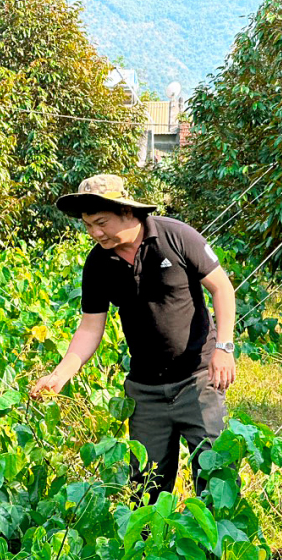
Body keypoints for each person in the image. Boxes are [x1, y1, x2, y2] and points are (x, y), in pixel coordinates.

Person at [29, 174, 237, 502]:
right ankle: (149, 551)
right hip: (145, 391)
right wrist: (60, 374)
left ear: (127, 212)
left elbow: (221, 288)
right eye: (87, 225)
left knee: (215, 475)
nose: (95, 233)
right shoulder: (99, 262)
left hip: (197, 380)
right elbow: (89, 327)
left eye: (101, 222)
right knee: (145, 491)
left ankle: (217, 553)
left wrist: (224, 347)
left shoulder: (177, 237)